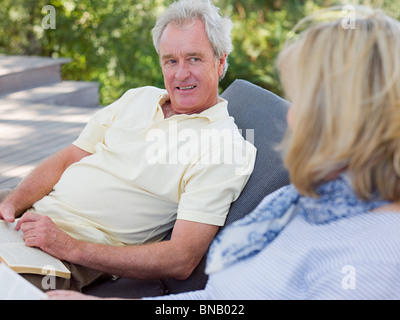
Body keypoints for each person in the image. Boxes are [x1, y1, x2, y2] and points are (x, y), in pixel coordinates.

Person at [49, 5, 400, 300]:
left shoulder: (369, 265)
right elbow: (217, 301)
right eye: (170, 60)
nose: (291, 115)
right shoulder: (298, 204)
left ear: (363, 117)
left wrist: (73, 251)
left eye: (307, 100)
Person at [0, 0, 256, 292]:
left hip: (63, 252)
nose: (180, 73)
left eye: (194, 59)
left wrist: (68, 246)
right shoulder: (139, 98)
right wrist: (11, 203)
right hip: (27, 213)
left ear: (220, 61)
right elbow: (68, 158)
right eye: (171, 60)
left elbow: (181, 259)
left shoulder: (224, 147)